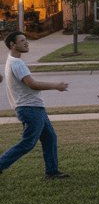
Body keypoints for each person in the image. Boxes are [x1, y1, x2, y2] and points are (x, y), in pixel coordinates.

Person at [0, 31, 70, 179]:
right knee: (28, 142)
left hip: (34, 107)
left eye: (26, 40)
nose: (26, 43)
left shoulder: (11, 60)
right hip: (29, 108)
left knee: (50, 138)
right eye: (22, 41)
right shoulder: (17, 62)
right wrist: (56, 85)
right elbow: (32, 84)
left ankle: (52, 172)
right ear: (12, 45)